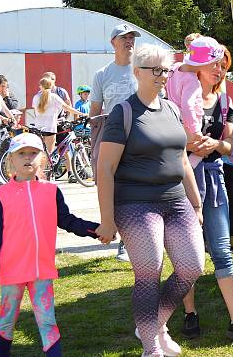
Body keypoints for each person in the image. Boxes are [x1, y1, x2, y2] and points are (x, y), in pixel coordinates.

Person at [95, 44, 205, 357]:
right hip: (135, 204)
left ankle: (154, 324)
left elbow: (182, 159)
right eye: (154, 69)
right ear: (137, 72)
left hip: (176, 201)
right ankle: (150, 347)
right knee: (149, 271)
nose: (161, 75)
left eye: (166, 69)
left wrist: (195, 204)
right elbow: (105, 168)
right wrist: (107, 218)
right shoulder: (124, 113)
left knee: (192, 267)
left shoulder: (171, 108)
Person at [0, 132, 101, 357]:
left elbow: (67, 220)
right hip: (12, 272)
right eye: (22, 153)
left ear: (42, 158)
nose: (28, 158)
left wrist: (96, 230)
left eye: (33, 153)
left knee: (48, 322)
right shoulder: (0, 195)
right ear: (11, 159)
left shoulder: (51, 191)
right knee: (6, 321)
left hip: (42, 272)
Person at [178, 45, 233, 345]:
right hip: (186, 182)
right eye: (213, 63)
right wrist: (189, 146)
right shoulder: (179, 98)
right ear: (197, 67)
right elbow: (171, 142)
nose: (219, 69)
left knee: (223, 252)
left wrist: (213, 145)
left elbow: (231, 148)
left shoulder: (225, 101)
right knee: (187, 252)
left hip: (214, 181)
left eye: (222, 64)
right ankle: (190, 313)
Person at [90, 23, 141, 262]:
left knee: (138, 187)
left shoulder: (142, 70)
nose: (129, 41)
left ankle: (135, 238)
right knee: (114, 188)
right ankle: (121, 238)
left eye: (132, 37)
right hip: (112, 137)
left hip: (140, 134)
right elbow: (95, 113)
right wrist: (96, 147)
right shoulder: (102, 74)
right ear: (113, 43)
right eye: (124, 37)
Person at [165, 35, 224, 168]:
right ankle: (187, 171)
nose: (217, 68)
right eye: (214, 63)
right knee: (200, 148)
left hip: (174, 119)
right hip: (187, 124)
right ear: (204, 63)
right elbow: (188, 106)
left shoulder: (175, 67)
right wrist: (196, 130)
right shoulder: (192, 82)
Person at [31, 78, 85, 155]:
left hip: (38, 128)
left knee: (40, 153)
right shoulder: (54, 97)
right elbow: (67, 107)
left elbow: (35, 112)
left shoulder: (36, 97)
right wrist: (81, 114)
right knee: (49, 154)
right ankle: (48, 166)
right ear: (51, 86)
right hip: (50, 128)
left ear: (40, 86)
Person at [0, 75, 17, 185]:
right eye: (3, 86)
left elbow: (6, 109)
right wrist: (3, 118)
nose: (4, 88)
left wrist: (13, 119)